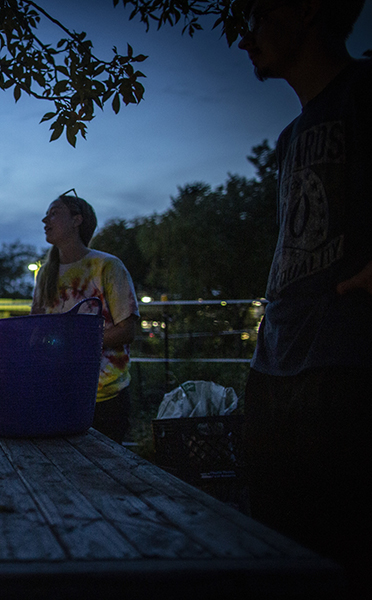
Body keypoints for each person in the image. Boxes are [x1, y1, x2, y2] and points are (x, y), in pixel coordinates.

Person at [237, 0, 371, 591]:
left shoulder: (366, 92)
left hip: (346, 366)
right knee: (272, 542)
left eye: (261, 15)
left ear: (309, 8)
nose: (247, 38)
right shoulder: (292, 135)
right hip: (277, 365)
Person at [31, 193, 139, 443]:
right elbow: (36, 329)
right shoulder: (45, 275)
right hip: (58, 393)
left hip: (105, 396)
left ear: (77, 220)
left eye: (55, 212)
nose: (45, 219)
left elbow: (127, 330)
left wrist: (74, 344)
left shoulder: (107, 266)